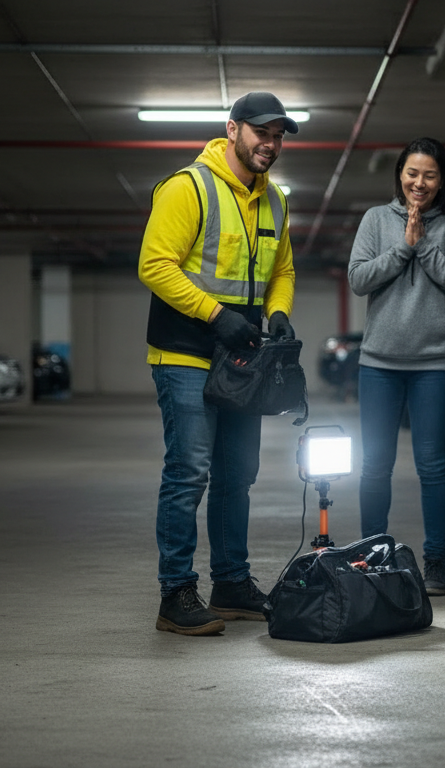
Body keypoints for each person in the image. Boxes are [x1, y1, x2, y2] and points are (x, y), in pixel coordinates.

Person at [137, 92, 298, 635]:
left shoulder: (275, 200)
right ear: (232, 130)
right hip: (184, 353)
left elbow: (283, 271)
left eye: (278, 136)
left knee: (238, 476)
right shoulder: (188, 188)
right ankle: (175, 593)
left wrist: (277, 314)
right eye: (261, 133)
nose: (270, 144)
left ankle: (230, 583)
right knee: (189, 472)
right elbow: (154, 265)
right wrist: (216, 315)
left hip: (242, 359)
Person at [347, 137, 445, 596]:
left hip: (434, 364)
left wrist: (423, 247)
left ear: (442, 181)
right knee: (374, 466)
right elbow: (358, 278)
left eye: (430, 175)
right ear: (399, 174)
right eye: (412, 173)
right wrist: (403, 247)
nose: (419, 182)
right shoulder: (375, 220)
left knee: (432, 466)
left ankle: (435, 562)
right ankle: (371, 555)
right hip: (379, 362)